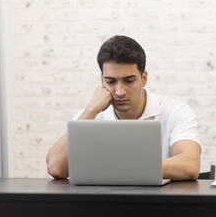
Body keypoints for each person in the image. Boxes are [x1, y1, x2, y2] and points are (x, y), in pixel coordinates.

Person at [46, 35, 201, 181]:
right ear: (102, 80)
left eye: (129, 81)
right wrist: (91, 109)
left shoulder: (175, 112)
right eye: (111, 82)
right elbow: (55, 167)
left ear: (144, 78)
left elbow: (190, 165)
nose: (120, 92)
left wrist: (113, 168)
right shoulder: (92, 114)